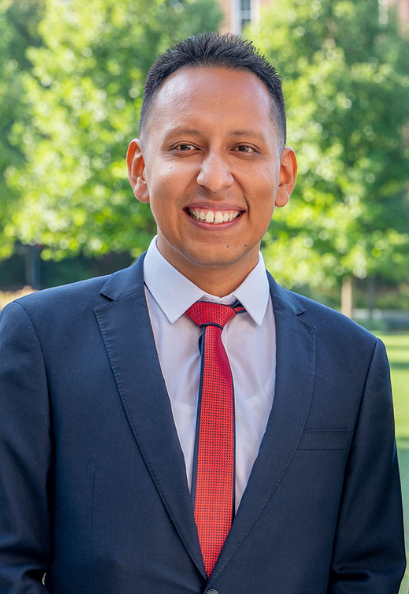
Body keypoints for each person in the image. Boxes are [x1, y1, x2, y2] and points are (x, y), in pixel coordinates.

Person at [0, 32, 405, 594]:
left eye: (244, 148)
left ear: (283, 176)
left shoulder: (354, 362)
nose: (215, 178)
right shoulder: (39, 340)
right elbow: (7, 566)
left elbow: (369, 572)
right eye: (186, 147)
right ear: (140, 169)